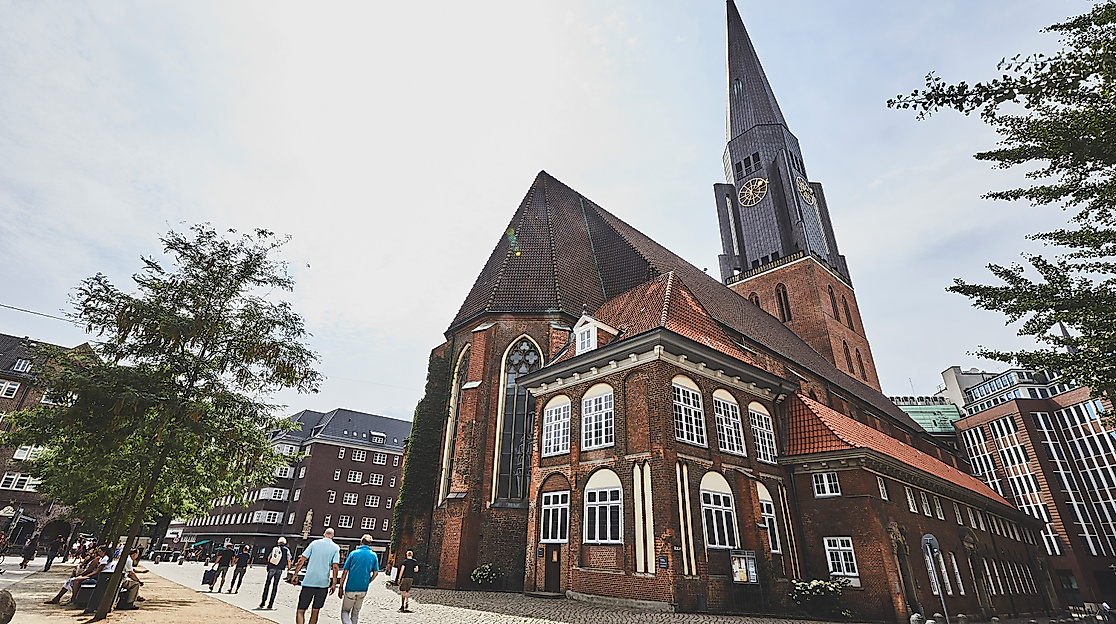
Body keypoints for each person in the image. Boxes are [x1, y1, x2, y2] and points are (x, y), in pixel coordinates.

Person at [289, 528, 340, 624]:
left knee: (301, 610)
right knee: (315, 610)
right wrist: (334, 583)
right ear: (332, 537)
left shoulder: (314, 543)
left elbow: (301, 560)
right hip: (323, 583)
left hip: (309, 581)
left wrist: (295, 575)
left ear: (323, 534)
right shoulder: (335, 547)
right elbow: (335, 566)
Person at [337, 535, 379, 624]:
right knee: (356, 613)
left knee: (345, 611)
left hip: (351, 587)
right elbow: (376, 573)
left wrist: (340, 586)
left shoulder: (353, 554)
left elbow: (344, 572)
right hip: (363, 587)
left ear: (361, 542)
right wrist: (369, 581)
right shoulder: (373, 555)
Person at [259, 536, 292, 610]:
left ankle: (263, 602)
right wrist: (289, 567)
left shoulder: (275, 549)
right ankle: (270, 604)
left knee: (267, 584)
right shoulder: (287, 550)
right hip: (280, 569)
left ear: (278, 542)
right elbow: (289, 559)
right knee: (275, 586)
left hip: (272, 568)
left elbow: (269, 558)